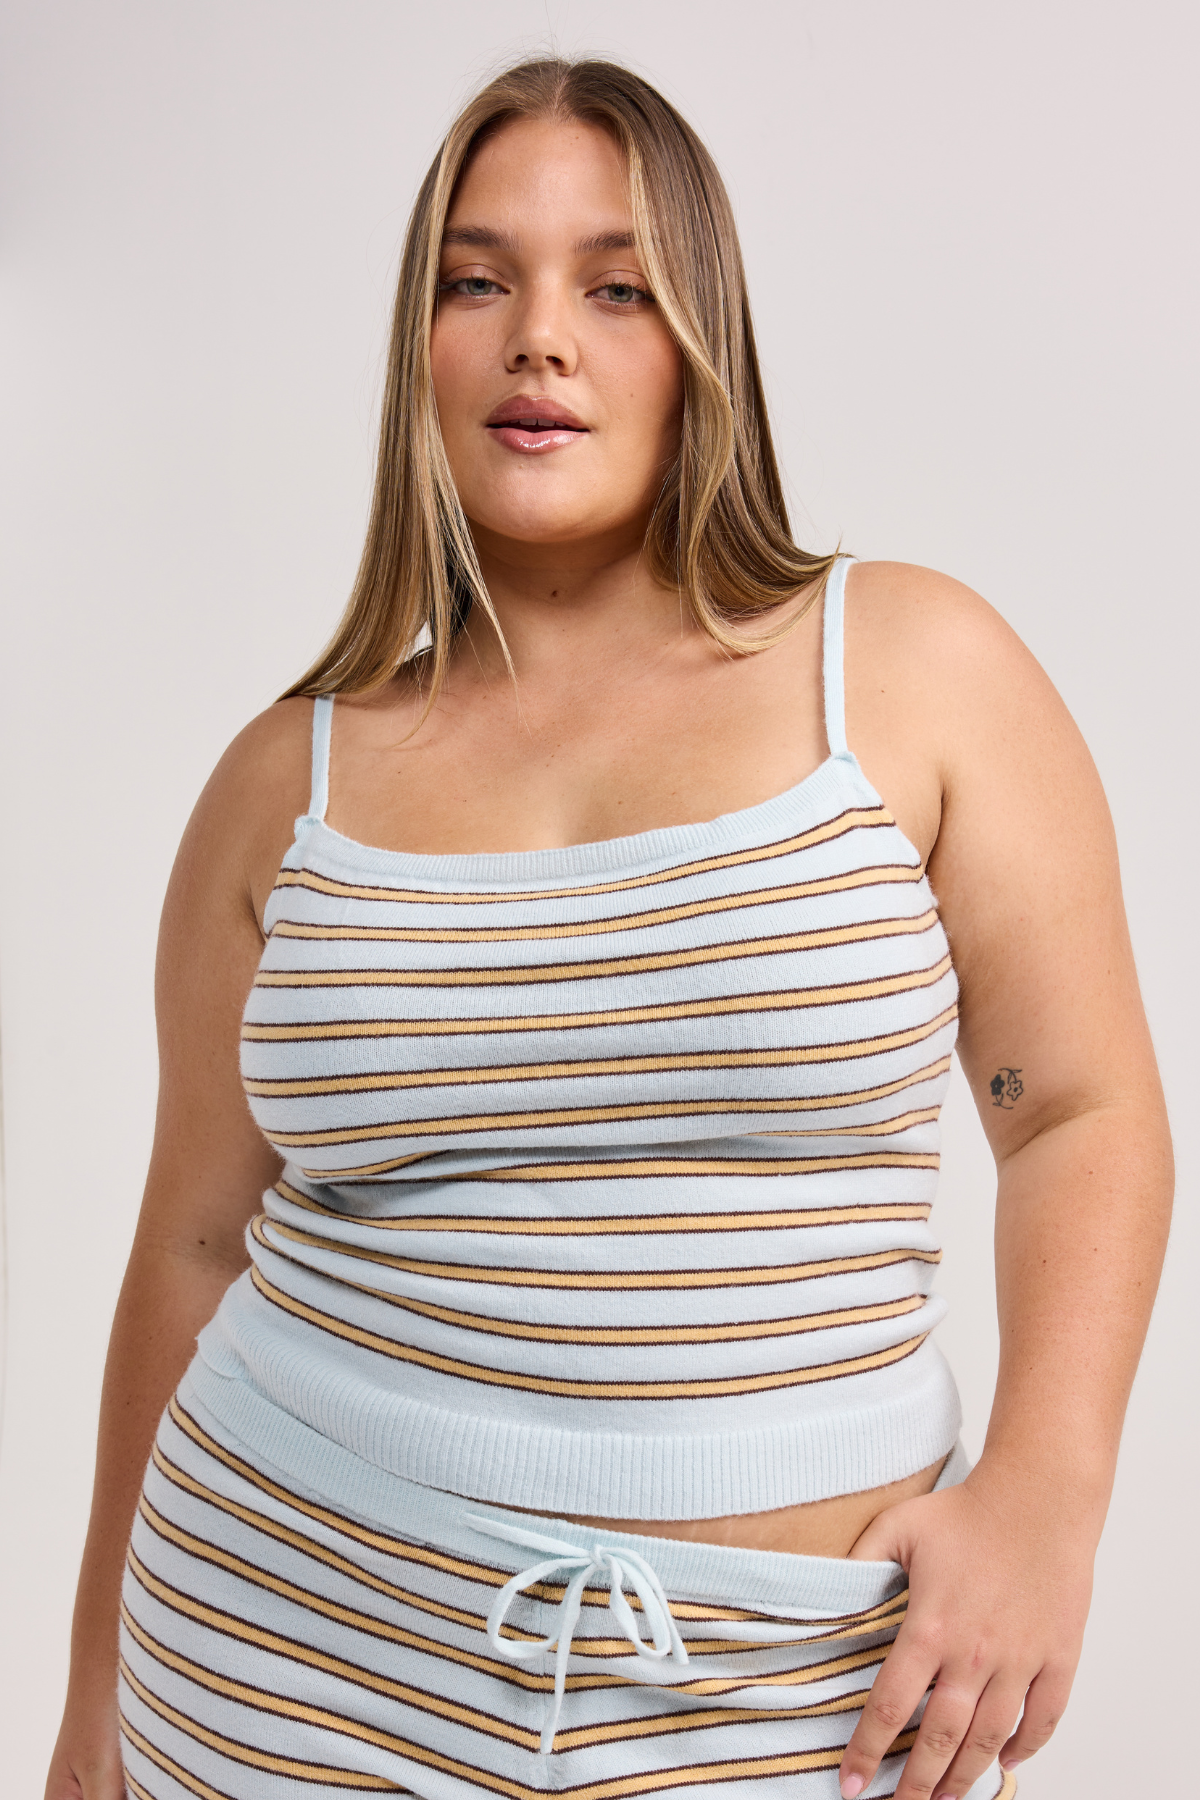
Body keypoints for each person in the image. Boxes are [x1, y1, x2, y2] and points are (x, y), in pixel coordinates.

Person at [46, 56, 1172, 1800]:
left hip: (793, 1694)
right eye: (476, 281)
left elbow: (1079, 1111)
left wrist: (1049, 1494)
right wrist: (89, 1710)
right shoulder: (285, 783)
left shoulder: (908, 672)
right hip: (285, 1649)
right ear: (420, 345)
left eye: (617, 286)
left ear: (704, 338)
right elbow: (191, 1247)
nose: (539, 341)